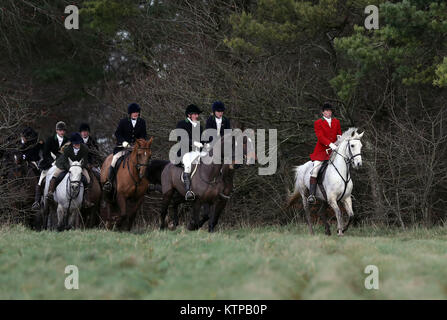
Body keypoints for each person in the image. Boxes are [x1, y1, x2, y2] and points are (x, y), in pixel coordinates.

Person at [103, 103, 147, 192]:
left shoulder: (142, 122)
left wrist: (139, 144)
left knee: (145, 160)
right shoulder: (123, 121)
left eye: (137, 112)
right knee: (114, 160)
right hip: (123, 148)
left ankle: (147, 183)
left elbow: (143, 135)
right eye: (134, 112)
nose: (136, 114)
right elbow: (117, 134)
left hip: (137, 148)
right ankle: (109, 182)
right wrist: (123, 142)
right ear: (130, 113)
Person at [46, 132, 93, 208]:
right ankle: (50, 192)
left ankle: (86, 199)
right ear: (72, 143)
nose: (77, 145)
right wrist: (70, 168)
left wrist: (79, 167)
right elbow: (64, 161)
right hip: (65, 165)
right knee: (55, 175)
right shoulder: (67, 149)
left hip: (79, 166)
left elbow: (85, 161)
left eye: (78, 143)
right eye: (75, 144)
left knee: (87, 179)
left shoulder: (85, 149)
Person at [308, 102, 342, 204]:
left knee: (345, 163)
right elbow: (320, 137)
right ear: (323, 112)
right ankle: (311, 195)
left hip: (334, 150)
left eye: (330, 110)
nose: (328, 112)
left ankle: (346, 191)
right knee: (315, 170)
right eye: (326, 110)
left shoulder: (336, 121)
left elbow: (339, 134)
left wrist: (339, 142)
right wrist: (330, 144)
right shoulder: (318, 122)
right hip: (321, 151)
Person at [32, 121, 68, 210]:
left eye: (63, 130)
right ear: (56, 131)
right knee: (41, 179)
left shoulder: (68, 140)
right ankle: (36, 201)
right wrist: (52, 162)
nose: (62, 132)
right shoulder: (50, 139)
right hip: (49, 163)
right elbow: (45, 153)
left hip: (62, 164)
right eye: (60, 130)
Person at [176, 104, 209, 201]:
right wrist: (194, 143)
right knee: (188, 165)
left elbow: (202, 139)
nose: (197, 116)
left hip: (198, 151)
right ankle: (188, 190)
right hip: (186, 151)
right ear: (189, 115)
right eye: (195, 114)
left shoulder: (199, 126)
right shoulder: (182, 124)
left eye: (197, 114)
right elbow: (180, 138)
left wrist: (206, 144)